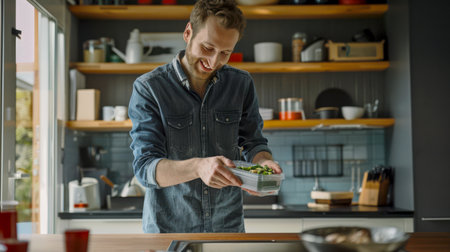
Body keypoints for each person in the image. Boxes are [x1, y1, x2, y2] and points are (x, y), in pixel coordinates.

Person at [128, 0, 282, 233]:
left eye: (225, 53)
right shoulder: (149, 88)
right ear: (188, 32)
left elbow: (253, 143)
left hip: (227, 229)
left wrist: (263, 164)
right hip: (169, 233)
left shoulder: (241, 84)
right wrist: (199, 167)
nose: (213, 62)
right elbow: (145, 169)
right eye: (208, 48)